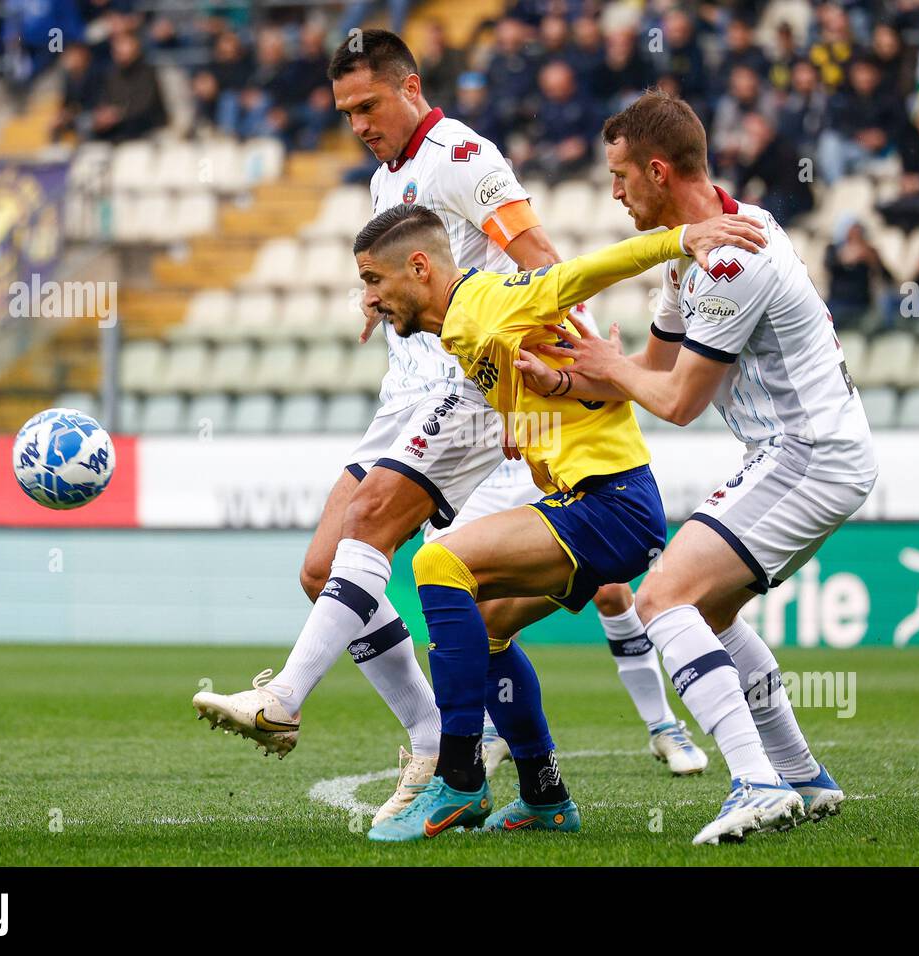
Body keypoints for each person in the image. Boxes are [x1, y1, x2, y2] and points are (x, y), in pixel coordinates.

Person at [190, 30, 760, 826]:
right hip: (409, 386)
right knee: (325, 569)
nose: (357, 123)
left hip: (467, 381)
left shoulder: (461, 154)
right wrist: (375, 296)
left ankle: (312, 706)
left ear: (410, 86)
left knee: (392, 537)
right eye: (344, 111)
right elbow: (402, 257)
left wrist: (583, 360)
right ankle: (440, 736)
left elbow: (541, 257)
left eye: (367, 105)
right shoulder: (386, 182)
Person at [514, 92, 873, 844]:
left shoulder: (732, 259)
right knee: (706, 612)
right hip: (799, 454)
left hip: (809, 457)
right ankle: (802, 776)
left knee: (660, 600)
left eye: (619, 176)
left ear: (656, 169)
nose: (612, 192)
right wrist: (569, 380)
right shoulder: (694, 248)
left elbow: (674, 402)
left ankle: (757, 783)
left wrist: (611, 366)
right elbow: (648, 368)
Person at [351, 204, 748, 842]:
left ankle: (458, 776)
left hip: (609, 504)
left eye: (374, 280)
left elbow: (578, 274)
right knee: (485, 629)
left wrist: (679, 240)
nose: (368, 298)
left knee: (437, 562)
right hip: (602, 505)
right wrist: (533, 406)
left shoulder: (486, 302)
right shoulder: (464, 330)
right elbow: (554, 380)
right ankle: (544, 796)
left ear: (418, 268)